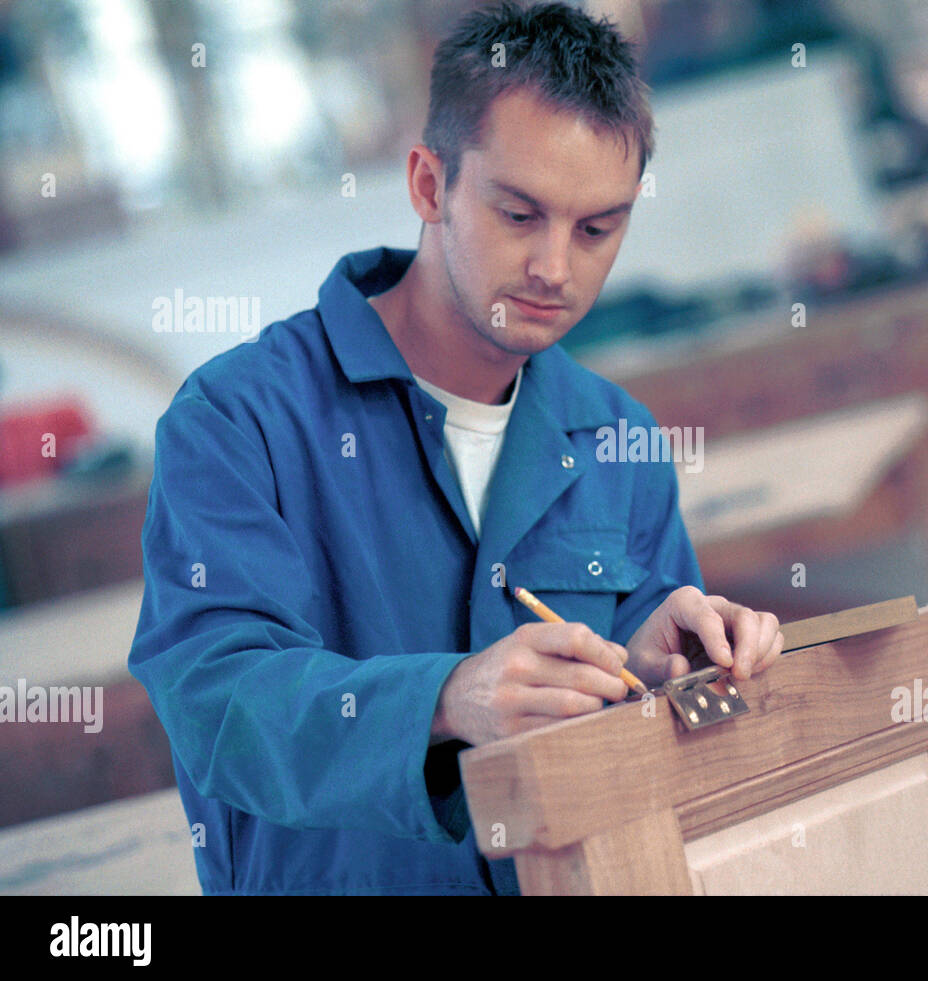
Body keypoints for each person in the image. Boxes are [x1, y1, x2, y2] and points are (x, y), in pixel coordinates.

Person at [128, 0, 782, 896]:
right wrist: (443, 701)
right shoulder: (237, 421)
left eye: (598, 228)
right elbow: (216, 704)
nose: (556, 266)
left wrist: (656, 665)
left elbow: (652, 757)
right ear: (430, 185)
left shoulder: (616, 436)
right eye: (519, 214)